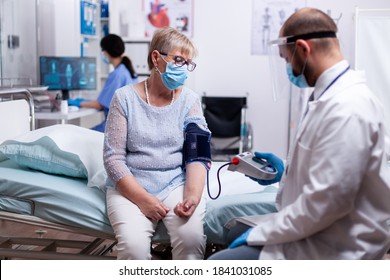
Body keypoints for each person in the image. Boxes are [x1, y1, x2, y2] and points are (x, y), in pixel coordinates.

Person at [209, 7, 390, 260]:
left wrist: (260, 234)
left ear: (304, 49)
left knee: (219, 263)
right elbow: (330, 170)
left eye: (286, 59)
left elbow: (324, 204)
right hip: (318, 234)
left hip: (336, 249)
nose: (287, 67)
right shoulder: (329, 98)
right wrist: (286, 170)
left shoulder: (348, 108)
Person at [103, 27, 211, 260]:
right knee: (133, 249)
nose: (183, 69)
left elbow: (198, 154)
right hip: (130, 186)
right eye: (178, 60)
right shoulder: (124, 98)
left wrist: (192, 197)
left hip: (174, 183)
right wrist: (143, 200)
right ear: (156, 58)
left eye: (188, 63)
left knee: (191, 239)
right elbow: (113, 159)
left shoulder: (189, 101)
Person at [68, 34, 138, 132]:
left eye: (102, 50)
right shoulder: (128, 71)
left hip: (115, 127)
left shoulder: (117, 75)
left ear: (106, 52)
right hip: (125, 126)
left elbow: (100, 105)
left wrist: (77, 103)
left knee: (78, 135)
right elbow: (105, 101)